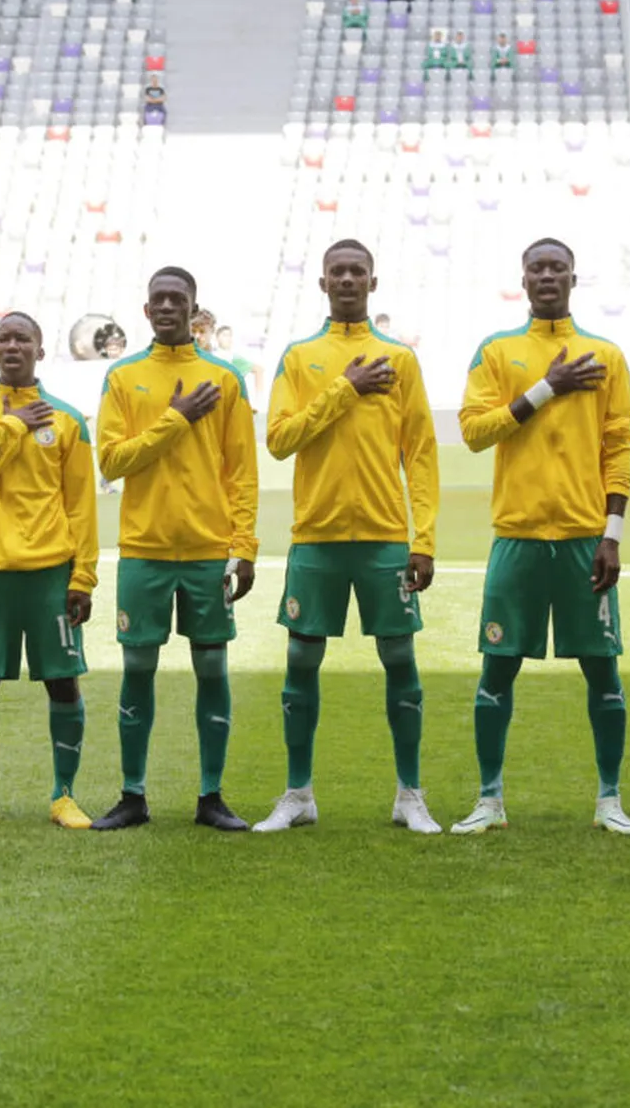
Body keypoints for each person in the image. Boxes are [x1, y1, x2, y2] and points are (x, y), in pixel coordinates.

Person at [452, 240, 630, 836]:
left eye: (558, 267)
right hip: (518, 536)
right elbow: (475, 432)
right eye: (537, 267)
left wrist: (612, 535)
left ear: (573, 278)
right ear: (523, 278)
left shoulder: (606, 354)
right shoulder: (498, 350)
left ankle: (609, 799)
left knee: (602, 671)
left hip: (586, 538)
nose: (548, 275)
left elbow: (618, 449)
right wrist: (546, 387)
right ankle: (489, 800)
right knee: (498, 667)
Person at [255, 240, 440, 834]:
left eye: (357, 271)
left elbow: (422, 454)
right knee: (301, 659)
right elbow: (280, 440)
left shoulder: (400, 360)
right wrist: (345, 389)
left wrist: (425, 539)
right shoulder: (301, 357)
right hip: (317, 536)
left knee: (399, 659)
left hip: (385, 536)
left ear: (373, 282)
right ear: (322, 283)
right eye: (337, 272)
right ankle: (298, 793)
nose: (347, 280)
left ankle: (410, 794)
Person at [90, 269, 258, 833]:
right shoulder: (124, 376)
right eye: (158, 299)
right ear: (145, 311)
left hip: (209, 550)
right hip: (145, 550)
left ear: (194, 310)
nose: (167, 307)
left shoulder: (224, 378)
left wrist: (245, 545)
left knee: (212, 668)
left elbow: (242, 471)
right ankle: (132, 795)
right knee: (139, 666)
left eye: (177, 300)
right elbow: (112, 462)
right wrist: (175, 420)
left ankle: (211, 796)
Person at [0, 313, 98, 830]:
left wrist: (83, 577)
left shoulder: (67, 420)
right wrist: (10, 428)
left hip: (50, 575)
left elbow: (81, 507)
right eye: (3, 338)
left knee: (63, 683)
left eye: (22, 338)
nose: (13, 346)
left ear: (40, 350)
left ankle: (64, 796)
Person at [216, 324, 260, 399]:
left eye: (230, 335)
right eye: (225, 335)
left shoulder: (234, 357)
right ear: (217, 338)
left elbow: (259, 370)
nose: (228, 338)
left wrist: (259, 397)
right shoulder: (213, 355)